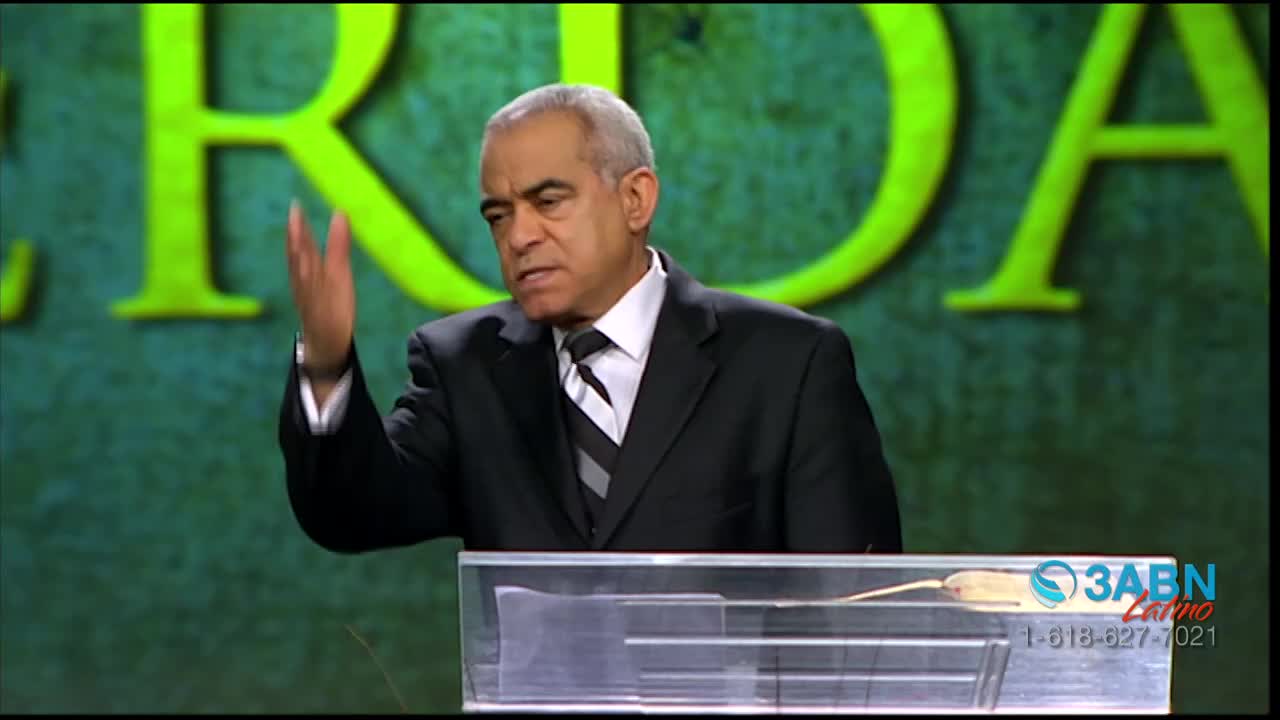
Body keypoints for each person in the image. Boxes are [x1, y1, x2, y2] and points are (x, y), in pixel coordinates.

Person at [278, 83, 902, 554]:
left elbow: (851, 603)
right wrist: (327, 366)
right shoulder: (466, 367)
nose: (520, 235)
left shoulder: (787, 363)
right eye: (498, 215)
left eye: (548, 202)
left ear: (635, 199)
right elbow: (353, 516)